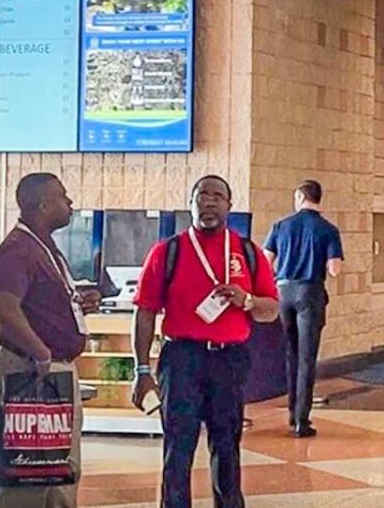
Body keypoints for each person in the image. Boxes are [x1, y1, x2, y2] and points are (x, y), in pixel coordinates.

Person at [130, 175, 280, 508]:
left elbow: (271, 310)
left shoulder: (248, 253)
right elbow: (144, 313)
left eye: (217, 196)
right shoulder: (167, 252)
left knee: (227, 446)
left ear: (229, 204)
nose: (208, 201)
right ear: (191, 203)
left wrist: (248, 300)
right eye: (201, 195)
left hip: (229, 360)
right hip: (182, 358)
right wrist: (141, 369)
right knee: (178, 449)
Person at [0, 173, 100, 508]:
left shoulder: (43, 247)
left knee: (58, 469)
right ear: (42, 205)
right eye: (63, 197)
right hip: (34, 370)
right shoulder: (17, 250)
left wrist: (76, 302)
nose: (70, 203)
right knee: (32, 471)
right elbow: (4, 307)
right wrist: (40, 352)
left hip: (52, 367)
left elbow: (36, 303)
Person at [264, 179, 344, 438]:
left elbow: (266, 262)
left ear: (300, 197)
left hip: (283, 291)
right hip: (310, 292)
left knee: (290, 352)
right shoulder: (328, 230)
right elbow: (334, 270)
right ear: (318, 199)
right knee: (307, 356)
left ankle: (291, 411)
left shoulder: (280, 226)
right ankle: (302, 420)